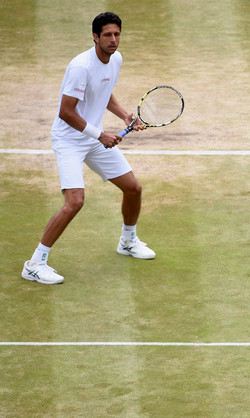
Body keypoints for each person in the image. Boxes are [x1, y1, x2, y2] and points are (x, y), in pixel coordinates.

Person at [22, 12, 155, 285]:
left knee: (133, 189)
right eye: (107, 35)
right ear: (95, 36)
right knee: (75, 202)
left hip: (94, 138)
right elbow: (65, 112)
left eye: (117, 34)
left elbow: (104, 94)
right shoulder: (80, 66)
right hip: (70, 140)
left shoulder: (115, 59)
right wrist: (100, 134)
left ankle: (127, 241)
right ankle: (35, 264)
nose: (113, 40)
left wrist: (125, 116)